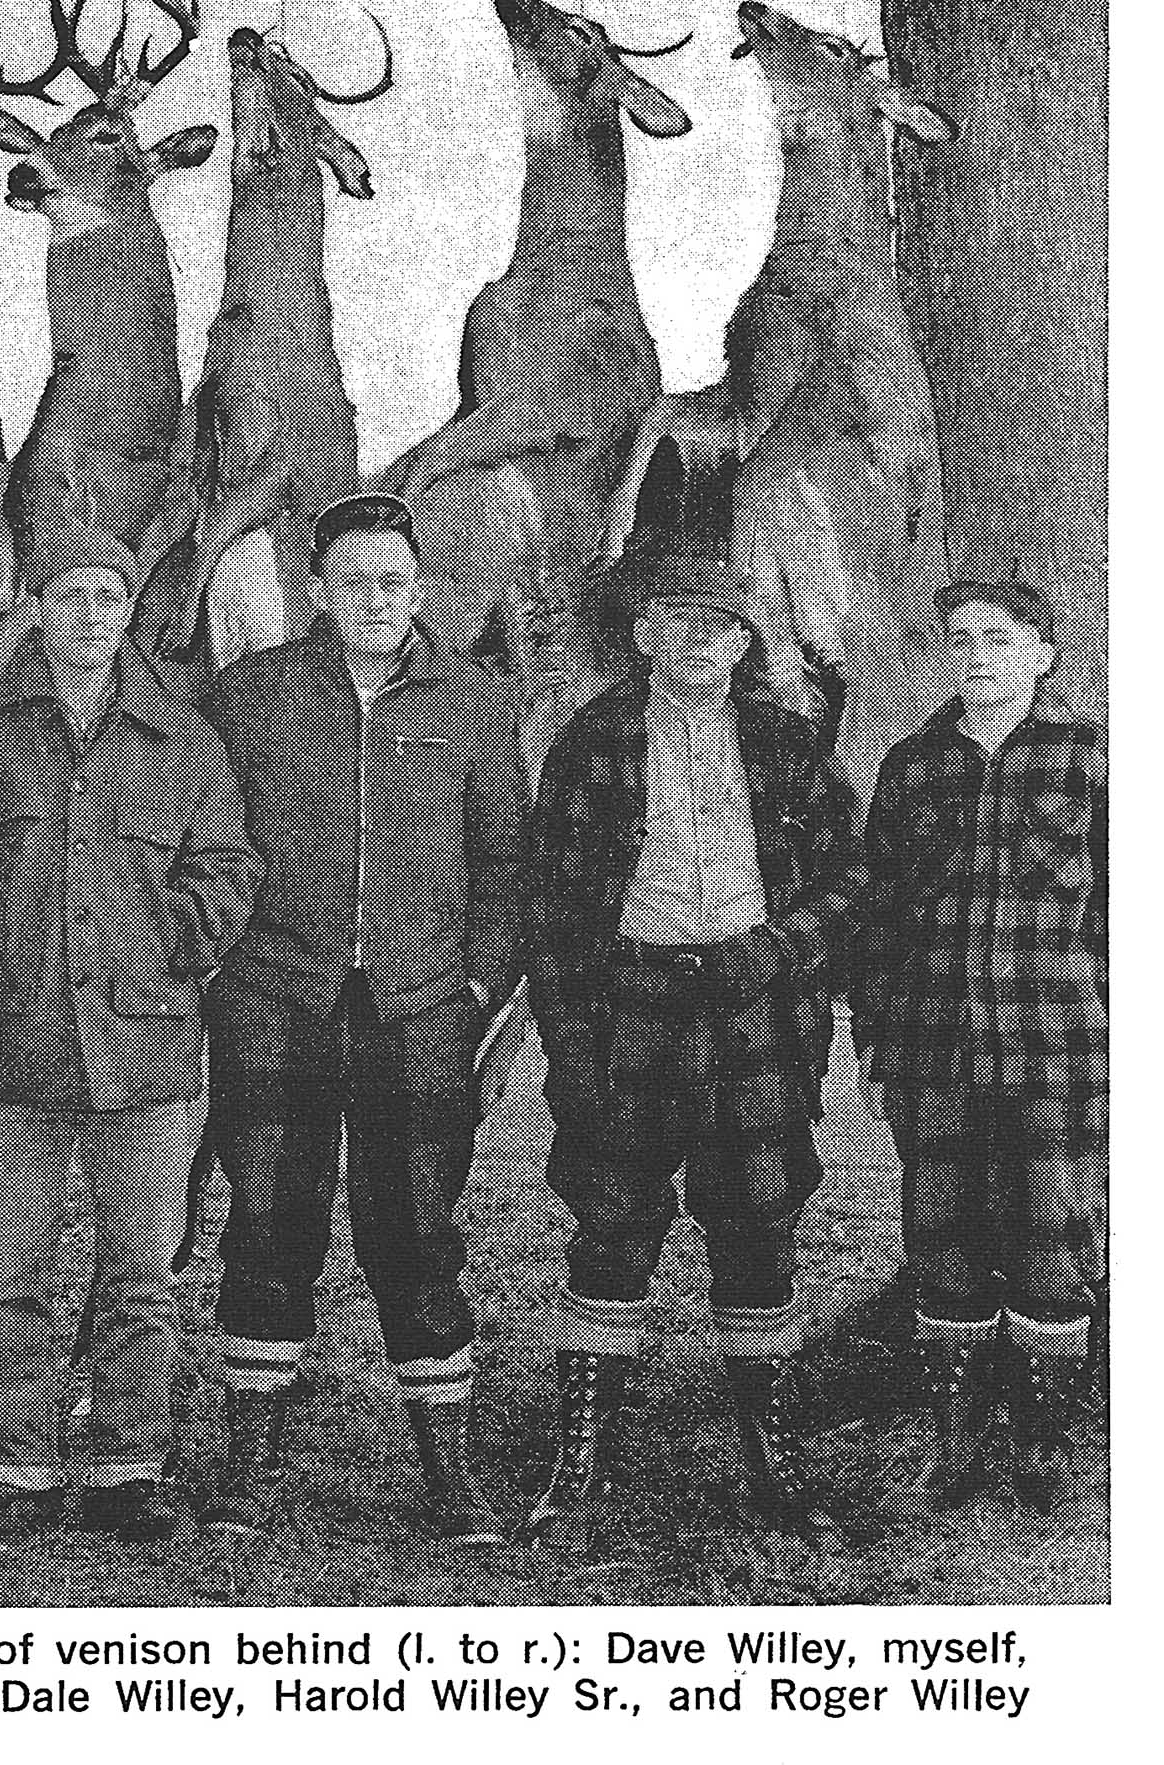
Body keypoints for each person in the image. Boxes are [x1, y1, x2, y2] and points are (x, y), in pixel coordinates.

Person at [0, 527, 261, 1543]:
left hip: (145, 1044)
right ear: (36, 608)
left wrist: (167, 938)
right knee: (14, 1272)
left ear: (128, 611)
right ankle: (18, 1467)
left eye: (108, 598)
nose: (90, 615)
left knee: (141, 1273)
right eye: (70, 596)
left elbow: (228, 867)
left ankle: (128, 1466)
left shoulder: (180, 738)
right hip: (19, 1037)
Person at [199, 493, 527, 1542]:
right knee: (265, 1223)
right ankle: (250, 1469)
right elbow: (203, 837)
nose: (376, 599)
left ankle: (449, 1475)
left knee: (418, 1231)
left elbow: (502, 865)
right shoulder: (250, 696)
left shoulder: (474, 701)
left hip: (418, 1008)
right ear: (318, 590)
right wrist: (224, 965)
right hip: (274, 998)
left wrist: (474, 989)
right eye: (353, 581)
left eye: (392, 581)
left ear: (418, 587)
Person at [523, 547, 861, 1553]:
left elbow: (852, 876)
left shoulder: (786, 740)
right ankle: (577, 1462)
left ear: (744, 641)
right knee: (611, 1224)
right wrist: (568, 1044)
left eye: (719, 625)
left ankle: (771, 1463)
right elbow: (548, 905)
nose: (699, 640)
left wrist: (780, 947)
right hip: (627, 1007)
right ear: (643, 634)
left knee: (758, 1226)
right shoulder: (594, 738)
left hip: (752, 1008)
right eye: (677, 620)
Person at [852, 579, 1105, 1512]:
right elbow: (878, 915)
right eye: (961, 639)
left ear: (1042, 654)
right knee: (944, 1242)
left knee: (1054, 1243)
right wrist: (876, 1037)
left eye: (999, 638)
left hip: (1058, 1049)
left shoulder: (1093, 757)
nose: (979, 656)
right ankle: (954, 1445)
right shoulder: (912, 764)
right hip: (936, 1050)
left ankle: (1040, 1447)